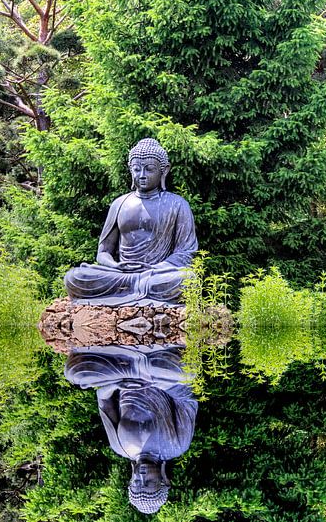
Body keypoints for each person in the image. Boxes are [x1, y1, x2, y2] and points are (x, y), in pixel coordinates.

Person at [64, 344, 198, 514]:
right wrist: (156, 383)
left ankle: (132, 361)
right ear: (164, 479)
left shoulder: (120, 447)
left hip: (121, 376)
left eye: (136, 482)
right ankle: (138, 361)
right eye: (149, 482)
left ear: (130, 480)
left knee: (75, 373)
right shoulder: (177, 446)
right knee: (187, 372)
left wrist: (116, 386)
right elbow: (188, 399)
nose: (141, 476)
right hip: (158, 378)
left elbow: (104, 401)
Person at [64, 138, 197, 306]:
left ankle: (129, 290)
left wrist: (156, 268)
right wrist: (115, 266)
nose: (142, 175)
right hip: (121, 274)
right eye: (136, 169)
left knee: (187, 279)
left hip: (157, 274)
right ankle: (135, 287)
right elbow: (103, 252)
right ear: (130, 170)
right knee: (75, 276)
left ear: (164, 171)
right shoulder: (119, 204)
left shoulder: (177, 204)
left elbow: (186, 252)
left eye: (149, 169)